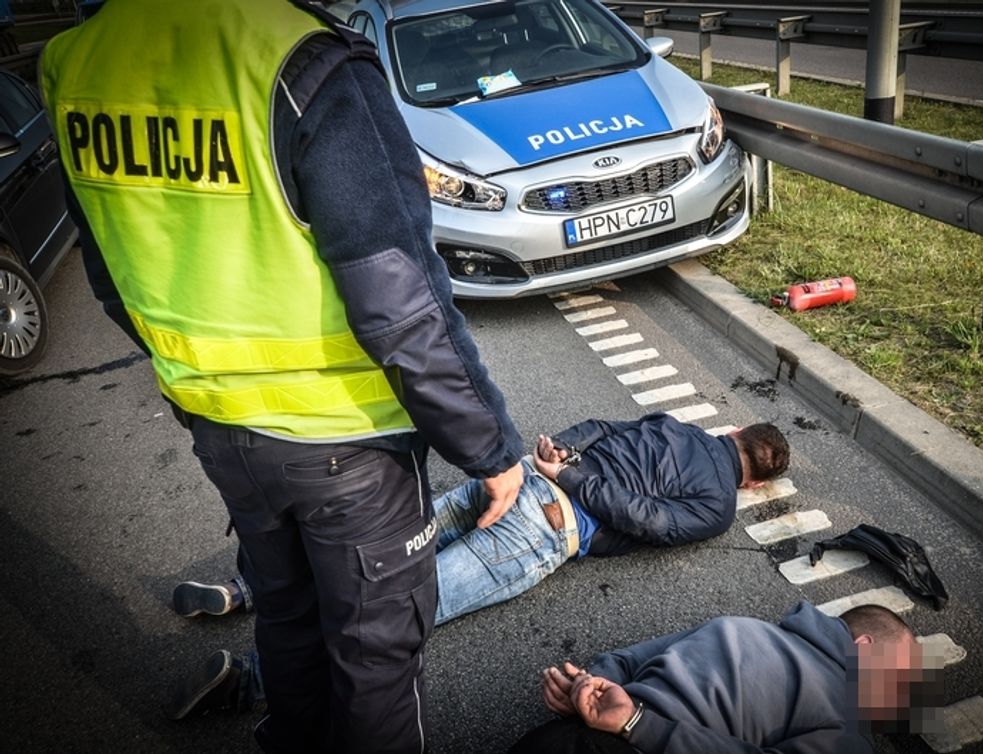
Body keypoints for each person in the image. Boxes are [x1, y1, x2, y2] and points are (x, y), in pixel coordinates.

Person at [39, 1, 524, 752]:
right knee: (375, 658)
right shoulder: (301, 56)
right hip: (348, 439)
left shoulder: (76, 59)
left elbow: (109, 273)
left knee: (289, 626)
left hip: (223, 429)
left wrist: (198, 380)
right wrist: (488, 449)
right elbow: (399, 302)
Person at [169, 412, 791, 718]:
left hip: (514, 479)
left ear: (732, 431)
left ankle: (242, 588)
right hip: (547, 526)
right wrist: (569, 475)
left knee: (380, 542)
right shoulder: (717, 509)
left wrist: (558, 452)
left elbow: (602, 426)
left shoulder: (672, 424)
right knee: (409, 604)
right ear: (755, 486)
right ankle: (253, 679)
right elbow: (646, 520)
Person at [512, 602, 928, 754]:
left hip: (557, 737)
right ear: (863, 647)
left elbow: (625, 660)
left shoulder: (739, 624)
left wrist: (587, 689)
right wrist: (635, 723)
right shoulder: (849, 729)